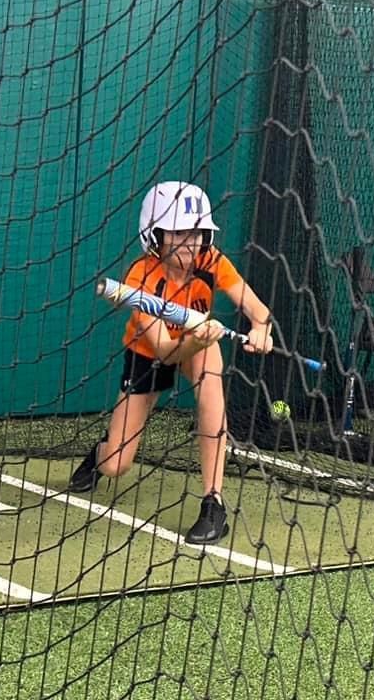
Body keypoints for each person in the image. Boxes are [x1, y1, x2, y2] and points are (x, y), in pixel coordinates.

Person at [68, 180, 275, 544]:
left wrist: (261, 330)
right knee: (117, 464)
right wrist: (195, 341)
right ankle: (99, 452)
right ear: (155, 234)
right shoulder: (140, 278)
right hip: (150, 353)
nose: (190, 244)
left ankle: (214, 501)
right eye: (179, 234)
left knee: (211, 379)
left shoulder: (211, 262)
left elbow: (258, 311)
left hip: (198, 345)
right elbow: (164, 349)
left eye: (197, 233)